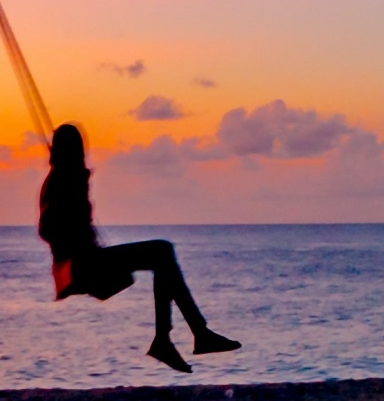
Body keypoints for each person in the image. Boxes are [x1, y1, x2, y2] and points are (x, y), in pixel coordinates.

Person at [38, 122, 241, 374]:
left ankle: (180, 338)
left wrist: (78, 191)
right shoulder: (60, 181)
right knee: (161, 252)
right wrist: (74, 214)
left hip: (86, 261)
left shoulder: (67, 179)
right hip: (81, 267)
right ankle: (185, 337)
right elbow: (46, 228)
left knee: (161, 256)